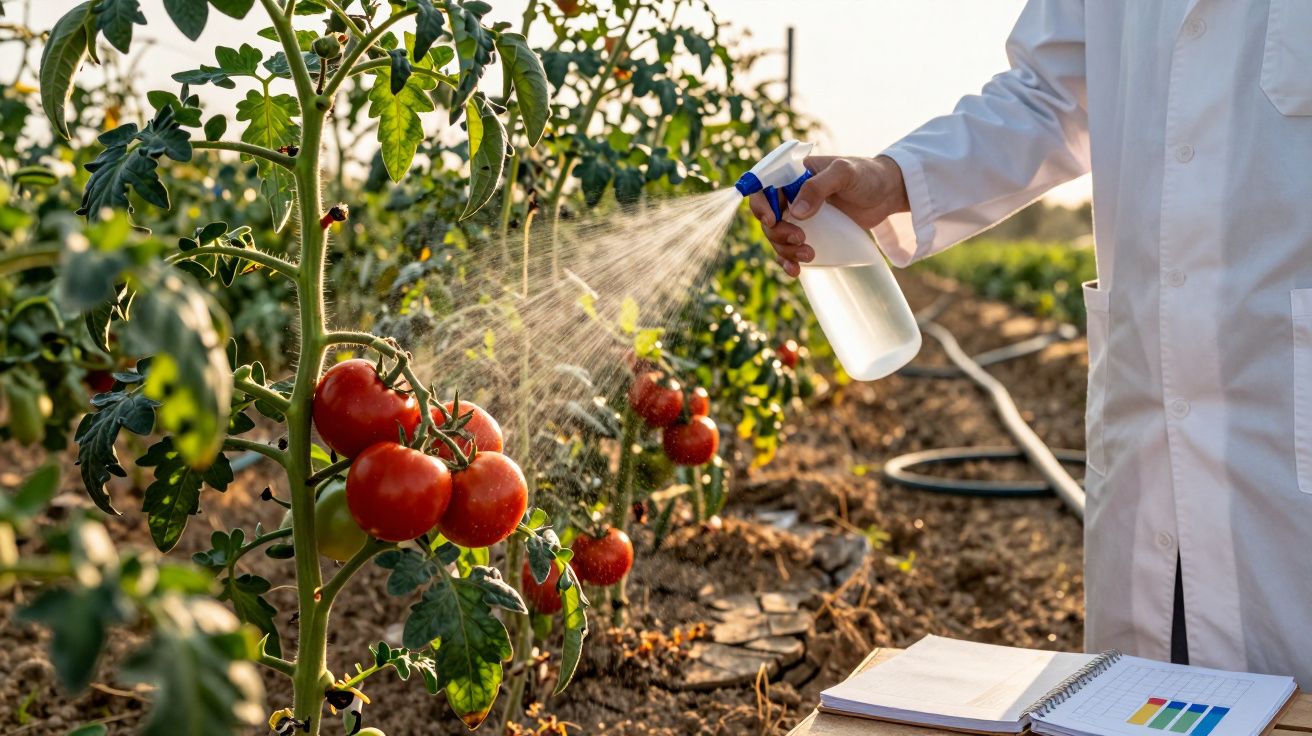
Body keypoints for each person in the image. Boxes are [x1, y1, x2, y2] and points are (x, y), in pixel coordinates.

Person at [749, 1, 1312, 685]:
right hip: (1152, 423)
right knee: (1149, 695)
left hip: (1283, 436)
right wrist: (893, 180)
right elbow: (1050, 96)